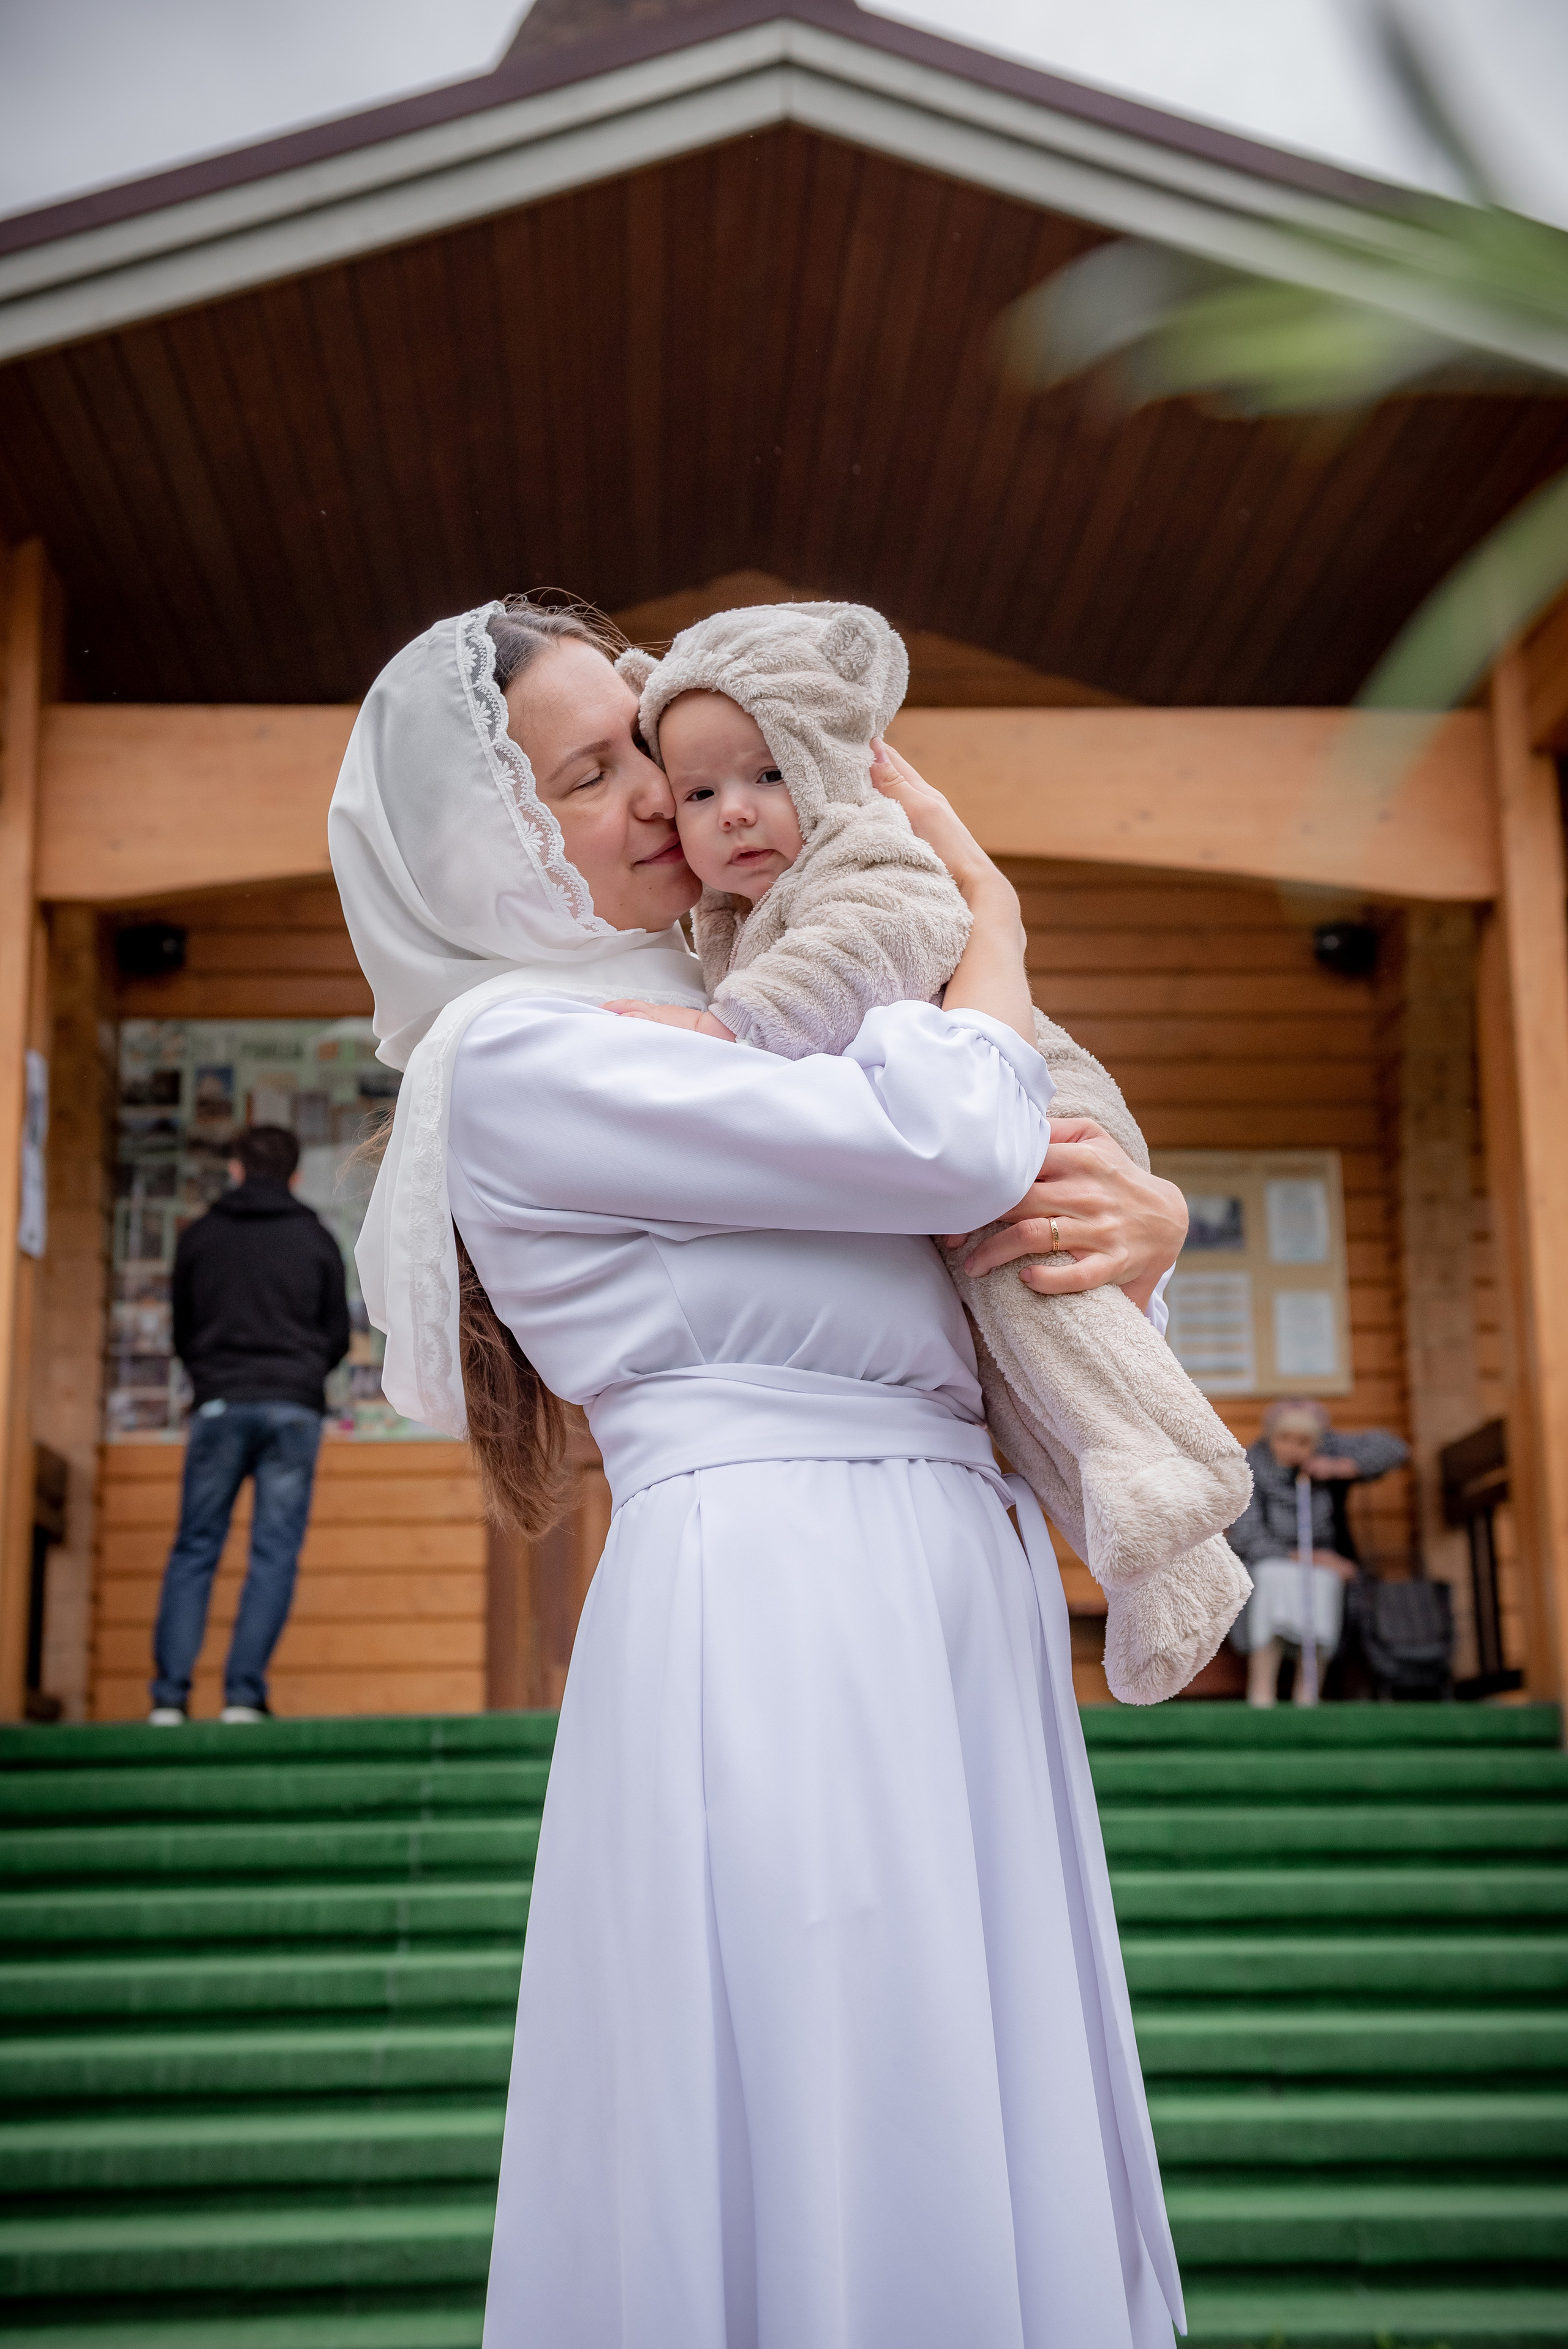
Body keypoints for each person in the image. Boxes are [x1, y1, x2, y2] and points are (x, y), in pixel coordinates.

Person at [329, 594, 1192, 2346]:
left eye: (641, 739)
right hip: (782, 1584)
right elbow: (946, 1136)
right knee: (843, 2050)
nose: (655, 793)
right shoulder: (520, 1054)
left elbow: (992, 1236)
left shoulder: (742, 986)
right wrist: (998, 926)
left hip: (949, 1572)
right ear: (479, 845)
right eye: (585, 775)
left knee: (976, 2045)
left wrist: (1143, 1221)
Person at [605, 599, 1252, 1706]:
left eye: (766, 772)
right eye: (700, 793)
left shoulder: (870, 856)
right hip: (961, 1156)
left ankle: (1170, 1463)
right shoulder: (734, 916)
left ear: (828, 760)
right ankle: (1165, 1566)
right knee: (1010, 1362)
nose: (733, 813)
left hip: (1046, 1110)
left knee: (1040, 1299)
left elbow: (878, 947)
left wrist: (729, 1031)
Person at [147, 1124, 350, 1725]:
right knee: (274, 1551)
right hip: (293, 1408)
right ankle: (242, 1696)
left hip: (217, 1405)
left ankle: (169, 1699)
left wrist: (214, 1378)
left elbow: (182, 1329)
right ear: (293, 1176)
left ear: (235, 1169)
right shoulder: (315, 1237)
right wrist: (300, 1375)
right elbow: (336, 1332)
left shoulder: (200, 1237)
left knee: (195, 1547)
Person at [1227, 1397, 1410, 1707]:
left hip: (1323, 1567)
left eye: (1303, 1442)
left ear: (1318, 1443)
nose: (1292, 1448)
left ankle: (1307, 1693)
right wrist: (1315, 1559)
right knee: (1272, 1578)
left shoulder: (1328, 1455)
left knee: (1324, 1583)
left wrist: (1341, 1468)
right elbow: (1247, 1538)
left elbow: (1393, 1448)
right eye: (1284, 1438)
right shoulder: (1249, 1468)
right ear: (1270, 1436)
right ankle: (1262, 1692)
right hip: (1268, 1563)